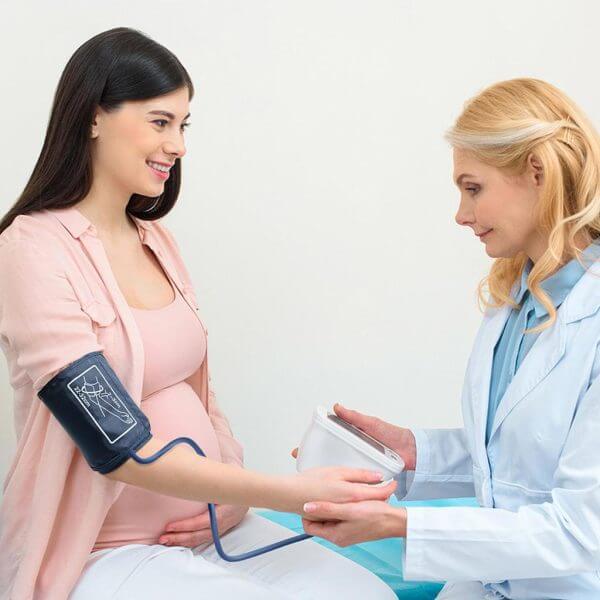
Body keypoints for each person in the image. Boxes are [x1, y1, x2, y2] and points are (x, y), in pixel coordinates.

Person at [0, 27, 397, 600]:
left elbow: (201, 395)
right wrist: (283, 492)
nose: (178, 145)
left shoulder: (156, 241)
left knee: (368, 594)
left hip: (213, 527)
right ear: (93, 117)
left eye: (183, 126)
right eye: (160, 122)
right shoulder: (31, 250)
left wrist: (231, 496)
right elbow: (112, 444)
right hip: (105, 550)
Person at [299, 78, 600, 599]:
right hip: (488, 580)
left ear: (536, 171)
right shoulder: (518, 297)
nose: (461, 214)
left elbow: (579, 531)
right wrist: (410, 452)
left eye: (473, 188)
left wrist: (401, 525)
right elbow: (517, 457)